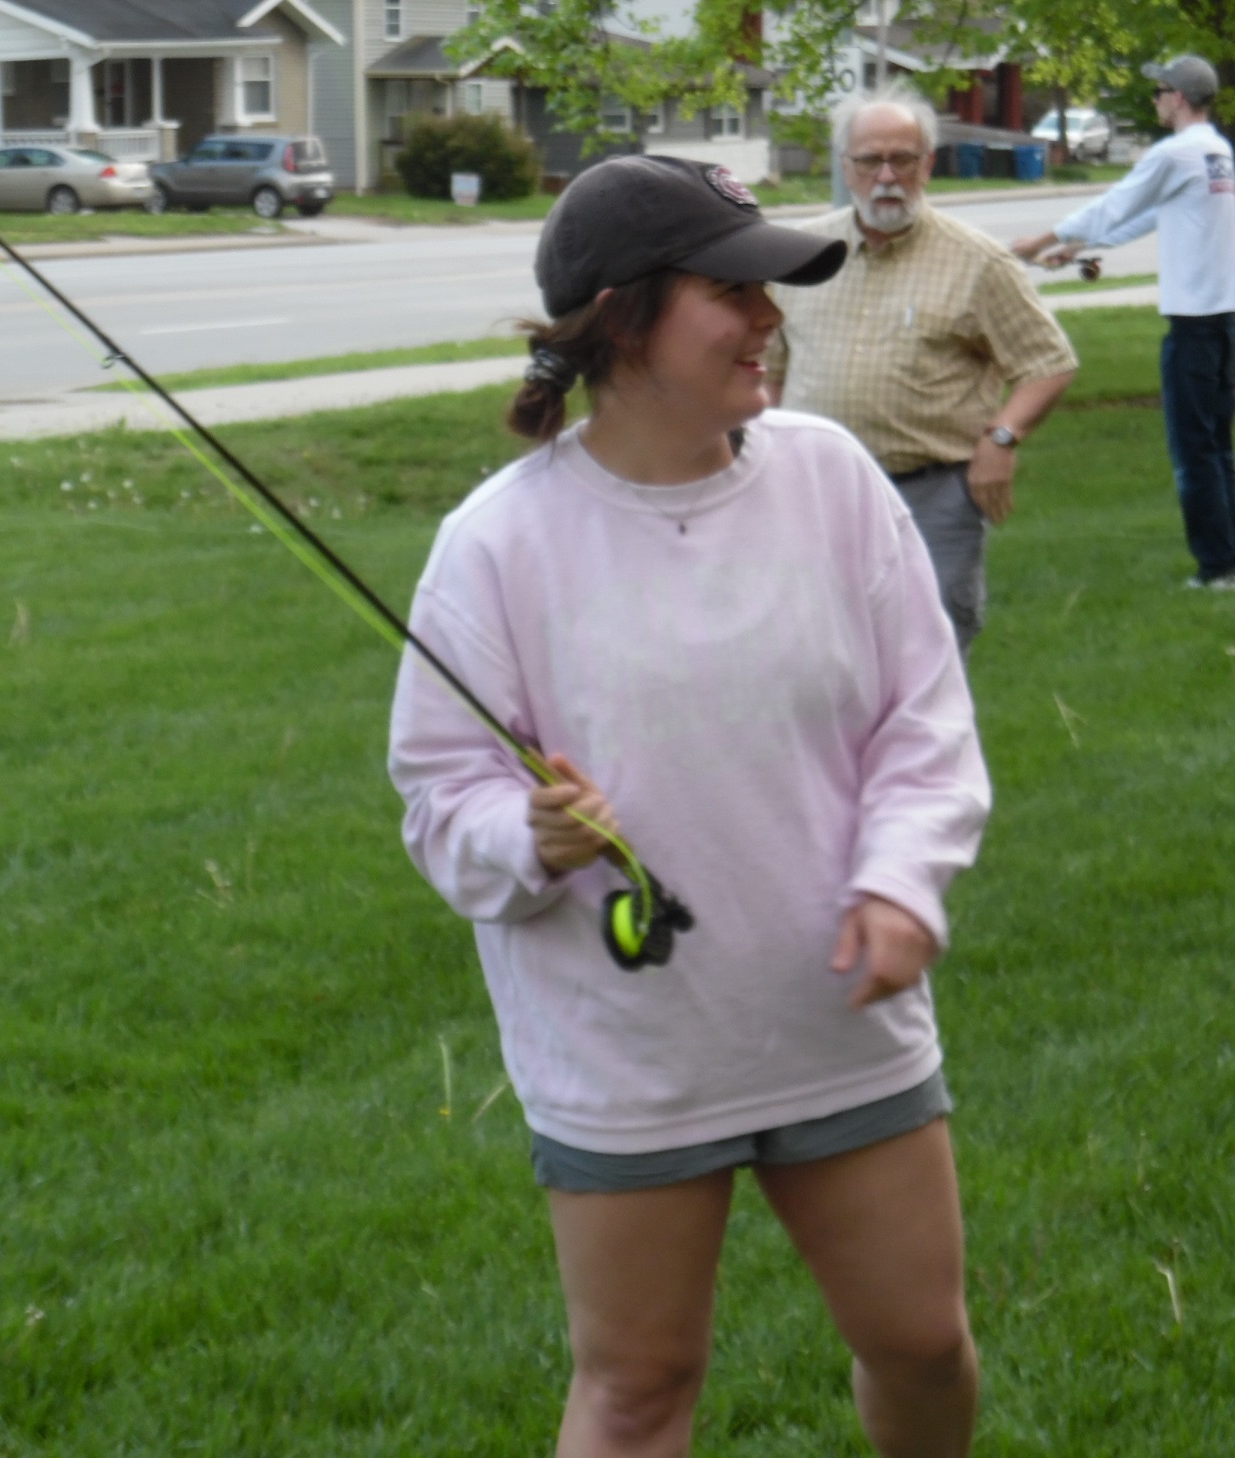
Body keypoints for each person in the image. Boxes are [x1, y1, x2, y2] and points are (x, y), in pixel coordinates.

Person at [388, 154, 992, 1458]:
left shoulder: (832, 480)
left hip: (837, 1018)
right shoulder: (496, 545)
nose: (769, 317)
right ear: (623, 321)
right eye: (734, 291)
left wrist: (902, 879)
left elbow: (924, 721)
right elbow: (441, 798)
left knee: (923, 1343)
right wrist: (523, 835)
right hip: (630, 1053)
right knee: (639, 1389)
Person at [764, 83, 1078, 653]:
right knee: (820, 650)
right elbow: (770, 375)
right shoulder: (800, 255)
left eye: (903, 159)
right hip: (817, 495)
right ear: (845, 166)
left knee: (929, 656)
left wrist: (1002, 439)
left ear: (928, 165)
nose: (887, 176)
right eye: (870, 160)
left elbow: (1048, 363)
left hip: (932, 496)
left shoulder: (979, 262)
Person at [1013, 55, 1235, 591]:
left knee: (1193, 454)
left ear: (1179, 98)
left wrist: (1044, 239)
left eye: (1159, 92)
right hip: (1221, 321)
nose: (1155, 101)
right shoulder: (1216, 151)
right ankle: (1232, 560)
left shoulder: (1176, 152)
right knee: (1217, 448)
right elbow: (1152, 214)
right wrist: (1081, 246)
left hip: (1192, 326)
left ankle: (1219, 568)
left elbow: (1116, 202)